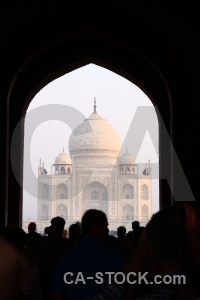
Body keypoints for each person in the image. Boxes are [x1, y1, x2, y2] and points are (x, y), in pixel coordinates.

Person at [52, 209, 124, 300]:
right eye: (105, 226)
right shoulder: (114, 257)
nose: (107, 230)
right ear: (97, 229)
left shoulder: (67, 257)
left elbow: (57, 295)